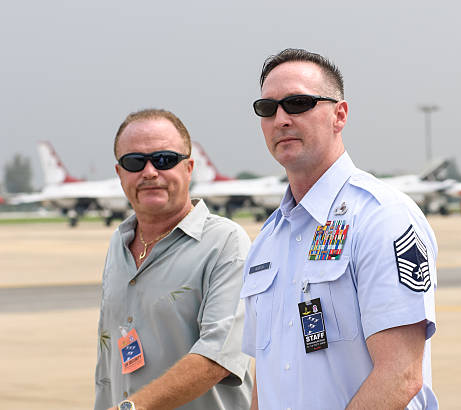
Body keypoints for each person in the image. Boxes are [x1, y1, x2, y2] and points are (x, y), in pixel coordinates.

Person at [241, 48, 439, 409]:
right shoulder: (268, 240)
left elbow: (400, 375)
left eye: (298, 103)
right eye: (268, 109)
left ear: (339, 115)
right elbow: (264, 379)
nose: (281, 119)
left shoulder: (382, 218)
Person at [95, 109, 252, 410]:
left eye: (164, 159)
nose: (150, 172)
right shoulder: (119, 243)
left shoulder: (225, 244)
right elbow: (107, 359)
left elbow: (217, 357)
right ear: (120, 173)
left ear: (189, 167)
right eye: (135, 162)